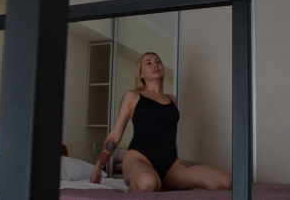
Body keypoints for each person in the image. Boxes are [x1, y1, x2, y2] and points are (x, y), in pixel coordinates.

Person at [89, 52, 232, 192]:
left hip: (170, 163)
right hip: (139, 158)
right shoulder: (133, 96)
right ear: (141, 74)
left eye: (158, 61)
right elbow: (115, 136)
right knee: (148, 183)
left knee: (226, 182)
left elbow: (170, 134)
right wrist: (98, 169)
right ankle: (143, 185)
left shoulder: (172, 99)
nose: (155, 65)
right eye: (148, 63)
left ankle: (163, 184)